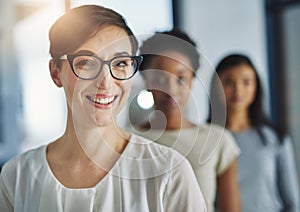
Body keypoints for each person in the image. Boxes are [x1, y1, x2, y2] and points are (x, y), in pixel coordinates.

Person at [0, 5, 207, 212]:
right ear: (56, 72)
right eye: (87, 63)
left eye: (120, 63)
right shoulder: (17, 177)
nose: (106, 82)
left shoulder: (169, 172)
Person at [130, 28, 240, 212]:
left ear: (192, 80)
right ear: (146, 81)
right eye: (159, 78)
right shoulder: (127, 141)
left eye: (181, 78)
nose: (171, 89)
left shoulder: (217, 140)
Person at [208, 53, 300, 211]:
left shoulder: (275, 138)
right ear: (216, 86)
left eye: (246, 82)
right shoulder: (204, 139)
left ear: (256, 86)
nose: (238, 89)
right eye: (229, 81)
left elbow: (292, 201)